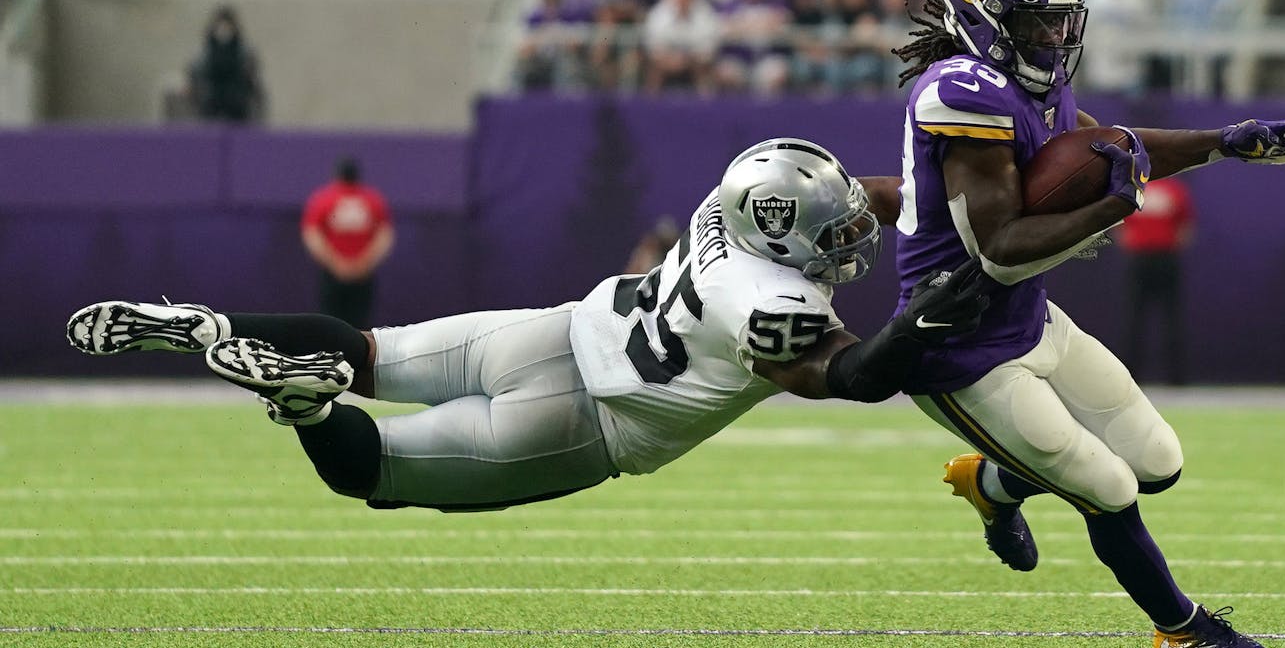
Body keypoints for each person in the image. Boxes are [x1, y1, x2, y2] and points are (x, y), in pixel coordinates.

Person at [65, 138, 988, 516]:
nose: (849, 241)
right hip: (588, 424)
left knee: (371, 351)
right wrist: (924, 315)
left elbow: (843, 198)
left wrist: (934, 199)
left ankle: (206, 323)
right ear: (782, 228)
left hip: (551, 329)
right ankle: (307, 410)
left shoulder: (729, 199)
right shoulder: (776, 305)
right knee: (373, 472)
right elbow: (861, 375)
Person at [888, 0, 1285, 648]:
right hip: (957, 345)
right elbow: (999, 247)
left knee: (1158, 461)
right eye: (1037, 21)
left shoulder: (1036, 84)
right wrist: (1113, 208)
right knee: (1108, 484)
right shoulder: (961, 94)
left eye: (1060, 19)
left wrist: (1225, 141)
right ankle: (1181, 628)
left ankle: (993, 484)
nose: (1055, 36)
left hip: (1029, 319)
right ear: (984, 16)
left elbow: (1111, 145)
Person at [300, 157, 395, 329]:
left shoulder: (324, 198)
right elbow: (384, 236)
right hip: (362, 274)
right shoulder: (371, 199)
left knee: (330, 324)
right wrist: (363, 263)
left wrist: (336, 263)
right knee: (360, 327)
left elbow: (312, 236)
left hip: (334, 273)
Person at [1118, 177, 1195, 384]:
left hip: (1164, 258)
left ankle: (1175, 378)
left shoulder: (1173, 189)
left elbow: (1185, 226)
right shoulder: (1135, 188)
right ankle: (1132, 375)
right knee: (1135, 318)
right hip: (1142, 258)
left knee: (1170, 319)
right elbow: (1121, 225)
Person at [188, 5, 264, 123]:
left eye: (228, 26)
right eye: (220, 26)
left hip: (237, 99)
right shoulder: (207, 50)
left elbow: (252, 71)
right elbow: (194, 69)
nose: (224, 30)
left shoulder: (242, 49)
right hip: (212, 97)